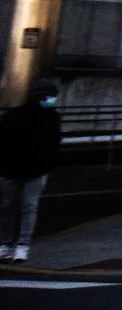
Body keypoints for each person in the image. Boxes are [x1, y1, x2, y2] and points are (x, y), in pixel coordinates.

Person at [0, 78, 63, 264]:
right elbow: (54, 143)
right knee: (26, 207)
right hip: (32, 168)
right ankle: (19, 245)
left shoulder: (16, 115)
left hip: (14, 168)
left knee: (10, 207)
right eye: (50, 96)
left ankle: (9, 244)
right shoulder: (51, 117)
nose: (52, 99)